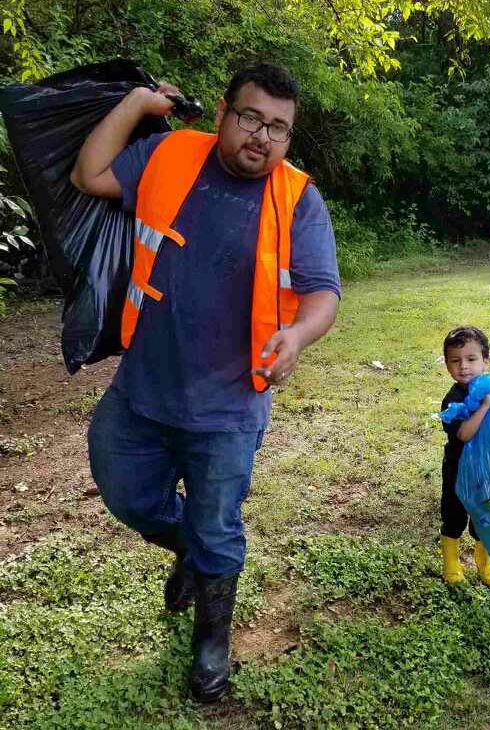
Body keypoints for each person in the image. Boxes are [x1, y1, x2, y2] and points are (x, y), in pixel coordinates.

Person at [70, 62, 341, 702]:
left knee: (219, 526)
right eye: (251, 118)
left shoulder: (297, 197)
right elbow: (90, 174)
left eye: (279, 128)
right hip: (144, 386)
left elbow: (322, 292)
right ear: (223, 112)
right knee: (121, 485)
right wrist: (137, 103)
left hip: (229, 404)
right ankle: (189, 551)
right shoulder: (171, 154)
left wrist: (297, 336)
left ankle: (211, 643)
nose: (262, 137)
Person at [440, 326, 490, 587]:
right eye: (455, 360)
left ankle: (483, 559)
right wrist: (485, 407)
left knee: (485, 515)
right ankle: (451, 560)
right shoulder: (452, 400)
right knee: (454, 514)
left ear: (486, 361)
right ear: (447, 365)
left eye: (471, 359)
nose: (463, 366)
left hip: (487, 469)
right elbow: (464, 434)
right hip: (458, 467)